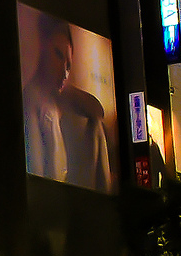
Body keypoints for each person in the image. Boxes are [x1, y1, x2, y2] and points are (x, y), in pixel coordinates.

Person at [21, 12, 114, 190]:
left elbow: (96, 110)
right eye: (58, 54)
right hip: (47, 202)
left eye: (69, 65)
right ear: (42, 47)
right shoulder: (32, 101)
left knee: (96, 126)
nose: (64, 73)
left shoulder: (54, 101)